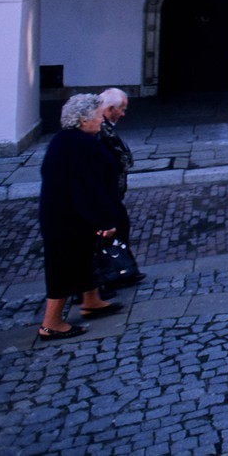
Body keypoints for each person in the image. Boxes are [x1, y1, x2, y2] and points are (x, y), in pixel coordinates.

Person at [36, 94, 124, 340]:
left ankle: (91, 301)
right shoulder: (81, 146)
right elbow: (87, 188)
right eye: (97, 116)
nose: (101, 120)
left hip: (63, 217)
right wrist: (106, 220)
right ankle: (51, 323)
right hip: (68, 221)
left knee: (84, 259)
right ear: (83, 120)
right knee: (64, 268)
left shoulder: (64, 140)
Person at [95, 87, 143, 286]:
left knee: (120, 226)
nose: (123, 114)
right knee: (113, 229)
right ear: (109, 109)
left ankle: (123, 269)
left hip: (112, 193)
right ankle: (114, 273)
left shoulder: (105, 127)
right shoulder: (99, 130)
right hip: (107, 194)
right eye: (121, 109)